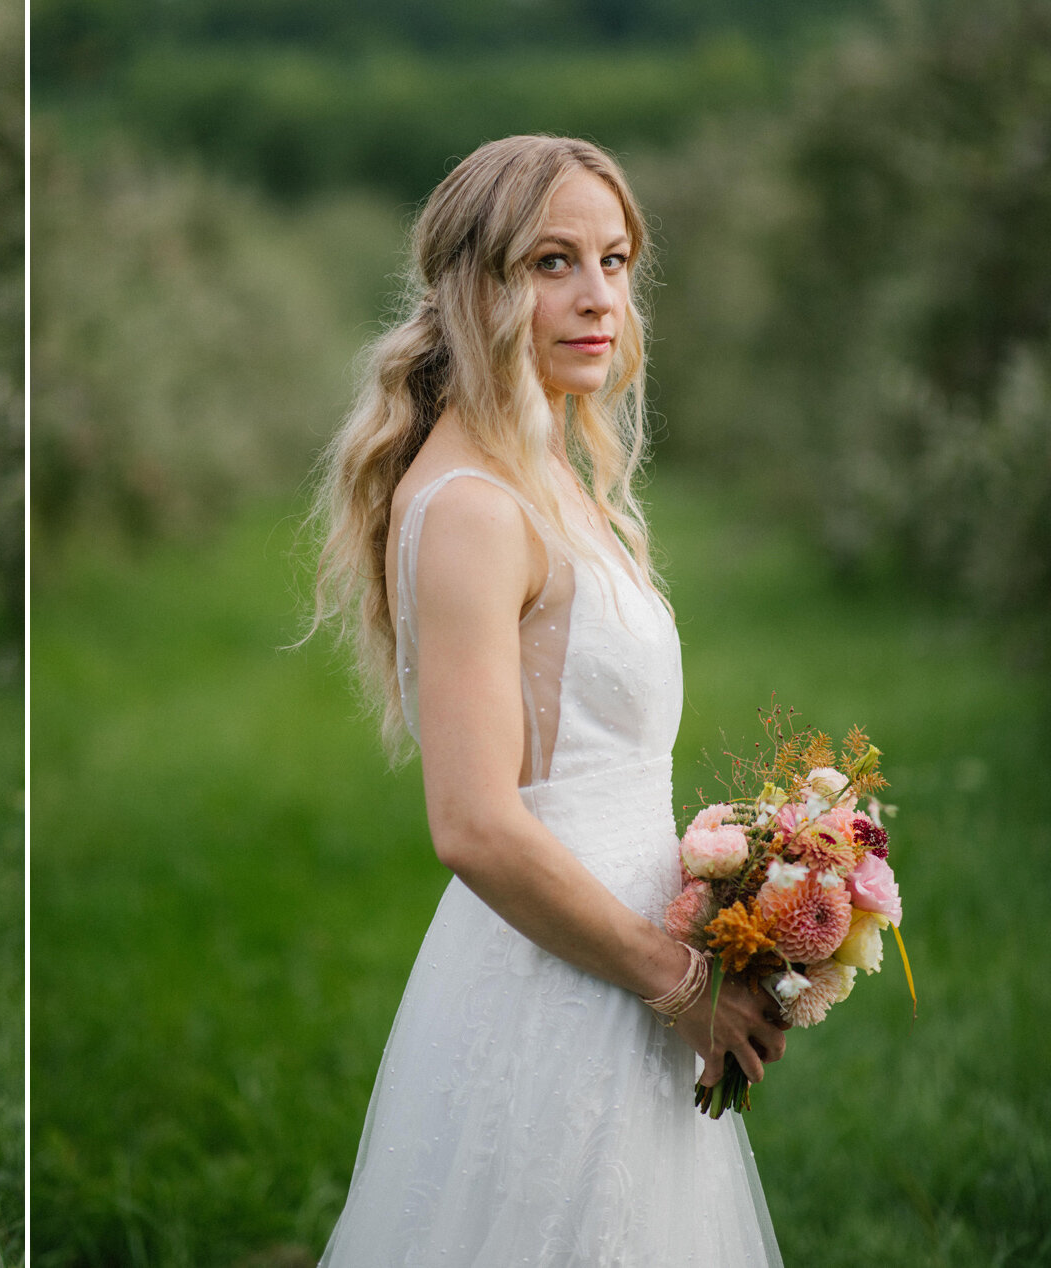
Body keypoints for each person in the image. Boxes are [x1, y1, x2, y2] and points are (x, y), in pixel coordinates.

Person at [308, 135, 783, 1265]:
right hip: (562, 989)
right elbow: (472, 821)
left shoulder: (540, 466)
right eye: (551, 262)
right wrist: (677, 982)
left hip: (618, 963)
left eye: (614, 261)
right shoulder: (473, 506)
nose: (596, 297)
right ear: (472, 286)